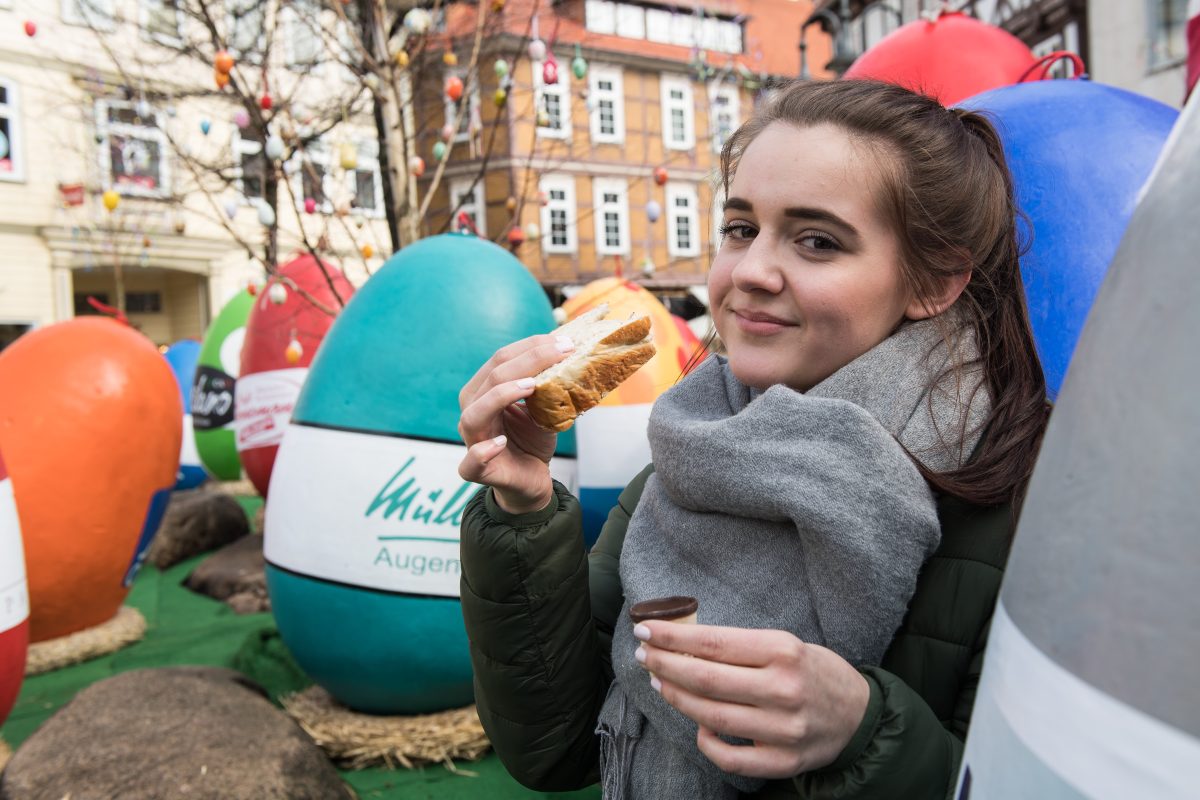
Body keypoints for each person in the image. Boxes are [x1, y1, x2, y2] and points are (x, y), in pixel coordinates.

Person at [456, 79, 1049, 799]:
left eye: (817, 241)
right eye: (740, 229)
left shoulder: (1027, 501)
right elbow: (553, 748)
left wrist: (863, 732)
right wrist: (522, 510)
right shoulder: (694, 450)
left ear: (934, 282)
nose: (749, 274)